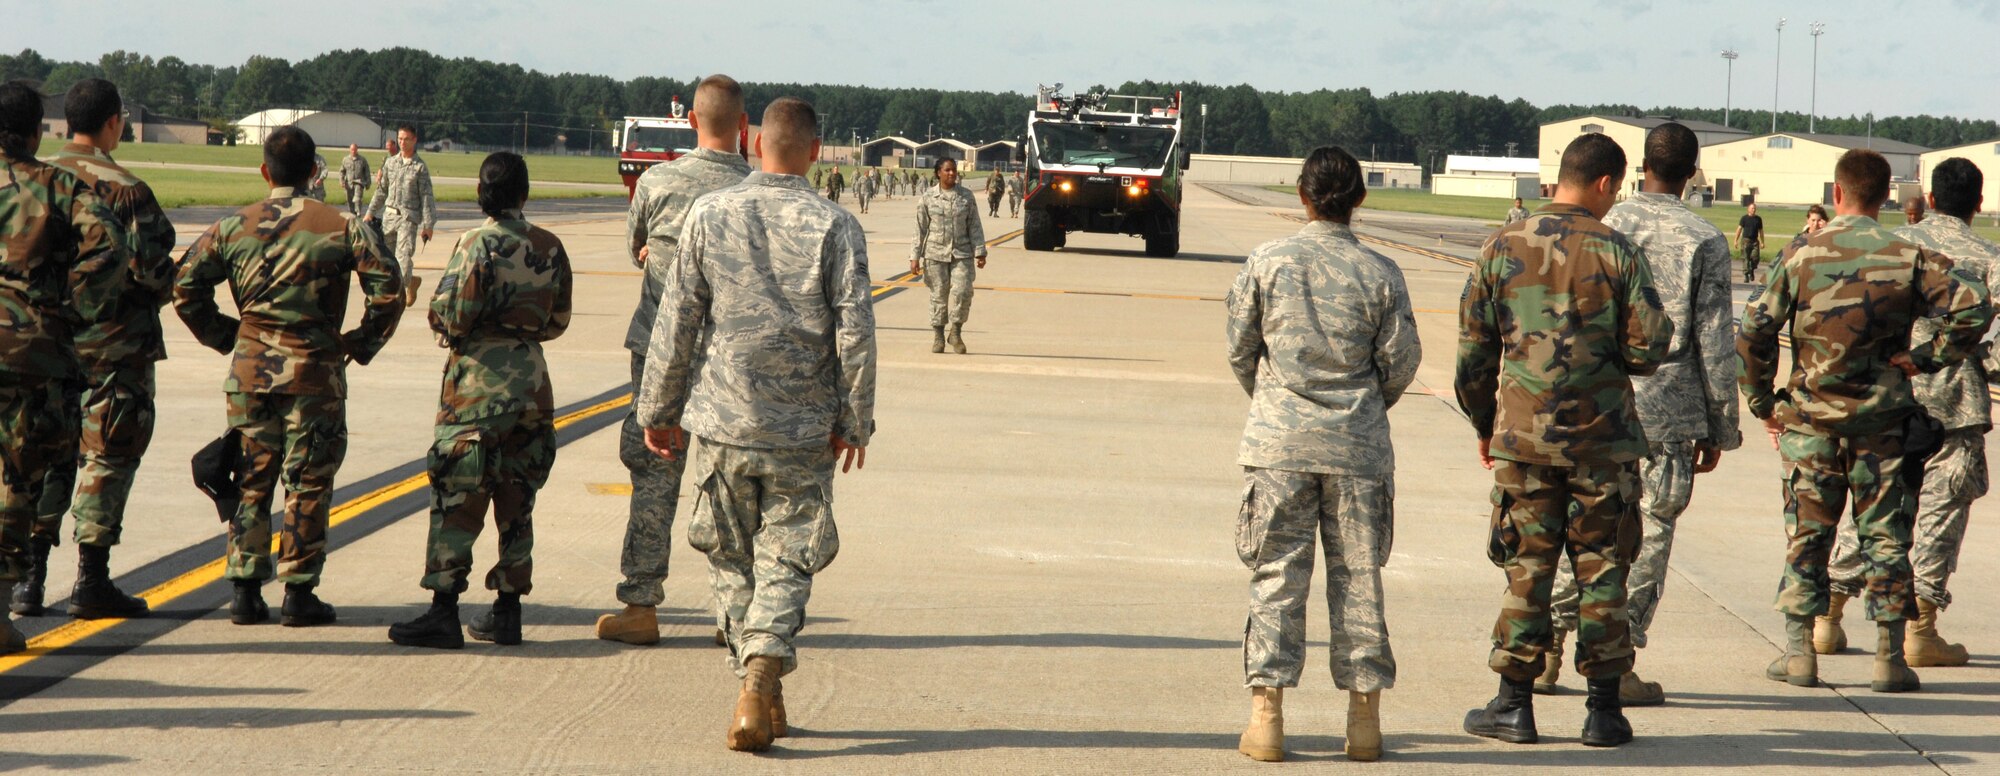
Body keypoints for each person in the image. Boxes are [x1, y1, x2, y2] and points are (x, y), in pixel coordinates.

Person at [637, 96, 876, 753]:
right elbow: (855, 331)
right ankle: (763, 675)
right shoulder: (836, 225)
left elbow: (676, 318)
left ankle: (753, 679)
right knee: (786, 560)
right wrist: (855, 419)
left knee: (731, 560)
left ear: (751, 140)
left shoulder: (709, 215)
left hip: (722, 423)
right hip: (800, 430)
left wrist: (657, 410)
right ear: (818, 152)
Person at [1738, 148, 1989, 693]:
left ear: (1837, 193)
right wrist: (1926, 359)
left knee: (1807, 537)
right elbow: (1974, 307)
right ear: (1886, 199)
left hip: (1810, 423)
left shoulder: (1803, 252)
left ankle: (1800, 652)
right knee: (1886, 538)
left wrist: (1764, 402)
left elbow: (1754, 328)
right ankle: (1888, 658)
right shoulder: (1906, 253)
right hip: (1883, 425)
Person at [1456, 132, 1669, 748]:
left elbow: (1474, 351)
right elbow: (1649, 348)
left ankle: (1514, 705)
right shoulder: (1619, 251)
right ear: (1605, 183)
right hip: (1603, 442)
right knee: (1604, 571)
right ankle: (1604, 711)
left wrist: (1483, 424)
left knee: (1527, 566)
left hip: (1523, 440)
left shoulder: (1503, 243)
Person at [1533, 123, 1740, 706]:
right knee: (1646, 537)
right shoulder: (1702, 237)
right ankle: (1617, 664)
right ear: (1693, 173)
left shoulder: (1604, 222)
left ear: (1641, 165)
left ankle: (1547, 643)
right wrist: (1721, 424)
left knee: (1586, 530)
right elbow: (1714, 341)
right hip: (1669, 409)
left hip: (1595, 403)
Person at [1226, 146, 1420, 764]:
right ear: (1358, 199)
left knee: (1277, 576)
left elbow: (1240, 347)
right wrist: (1359, 408)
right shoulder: (1381, 272)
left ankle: (1267, 720)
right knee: (1359, 580)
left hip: (1280, 445)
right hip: (1358, 447)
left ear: (1303, 195)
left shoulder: (1267, 261)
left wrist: (1278, 403)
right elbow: (1401, 362)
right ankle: (1363, 722)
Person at [174, 125, 404, 627]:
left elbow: (185, 288)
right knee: (308, 482)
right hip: (314, 374)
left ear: (265, 171)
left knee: (251, 480)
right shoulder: (339, 226)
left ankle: (245, 589)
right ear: (314, 173)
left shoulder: (232, 226)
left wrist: (231, 339)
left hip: (251, 372)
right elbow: (390, 289)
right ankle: (299, 591)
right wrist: (357, 343)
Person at [1816, 158, 1998, 668]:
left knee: (1873, 502)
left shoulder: (1895, 246)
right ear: (1978, 204)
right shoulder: (1990, 257)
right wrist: (1975, 359)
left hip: (1890, 397)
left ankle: (1828, 616)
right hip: (1957, 402)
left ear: (1931, 200)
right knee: (1941, 510)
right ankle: (1921, 629)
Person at [387, 152, 573, 650]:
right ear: (524, 193)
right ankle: (507, 612)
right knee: (517, 500)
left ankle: (443, 610)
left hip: (476, 389)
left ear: (481, 193)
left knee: (457, 498)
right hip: (533, 388)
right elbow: (557, 321)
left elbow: (448, 315)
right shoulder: (550, 246)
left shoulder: (476, 244)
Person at [595, 74, 752, 648]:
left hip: (658, 352)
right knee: (730, 481)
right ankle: (734, 616)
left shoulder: (658, 183)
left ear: (691, 119)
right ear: (743, 125)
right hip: (726, 361)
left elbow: (635, 246)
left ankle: (640, 604)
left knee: (654, 477)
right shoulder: (754, 191)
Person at [11, 78, 176, 621]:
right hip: (115, 346)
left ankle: (29, 579)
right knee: (109, 453)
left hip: (47, 345)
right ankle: (92, 576)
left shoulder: (36, 176)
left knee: (45, 455)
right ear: (113, 123)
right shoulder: (126, 189)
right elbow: (151, 271)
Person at [0, 80, 131, 654]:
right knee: (19, 478)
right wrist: (70, 309)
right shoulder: (59, 186)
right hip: (34, 352)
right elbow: (110, 249)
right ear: (36, 133)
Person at [912, 157, 987, 354]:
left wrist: (980, 252)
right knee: (939, 295)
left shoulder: (966, 197)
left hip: (962, 253)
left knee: (963, 291)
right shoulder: (928, 198)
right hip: (935, 255)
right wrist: (914, 256)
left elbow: (975, 225)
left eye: (954, 170)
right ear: (938, 172)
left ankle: (955, 331)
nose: (952, 173)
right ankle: (938, 335)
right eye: (947, 170)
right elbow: (919, 228)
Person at [366, 124, 437, 307]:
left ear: (414, 140)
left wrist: (428, 225)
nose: (402, 142)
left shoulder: (419, 167)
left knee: (403, 258)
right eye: (400, 139)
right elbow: (381, 191)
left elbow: (427, 197)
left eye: (406, 139)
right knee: (388, 260)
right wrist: (370, 212)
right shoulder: (391, 163)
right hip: (389, 217)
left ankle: (399, 294)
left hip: (408, 218)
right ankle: (410, 282)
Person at [1736, 203, 1766, 282]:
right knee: (1745, 258)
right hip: (1745, 241)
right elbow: (1739, 229)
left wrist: (1762, 242)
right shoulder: (1744, 218)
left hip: (1755, 241)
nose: (1754, 210)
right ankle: (1746, 275)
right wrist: (1735, 240)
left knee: (1755, 258)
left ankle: (1751, 270)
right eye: (1752, 208)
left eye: (1755, 208)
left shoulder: (1758, 219)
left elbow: (1761, 231)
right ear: (1748, 209)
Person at [339, 144, 370, 216]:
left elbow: (367, 171)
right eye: (352, 149)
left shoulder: (362, 160)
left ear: (357, 150)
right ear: (350, 150)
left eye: (355, 149)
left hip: (359, 182)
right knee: (350, 201)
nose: (353, 151)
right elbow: (342, 171)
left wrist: (368, 183)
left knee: (357, 198)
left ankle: (358, 212)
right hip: (349, 184)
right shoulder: (345, 159)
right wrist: (341, 181)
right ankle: (352, 213)